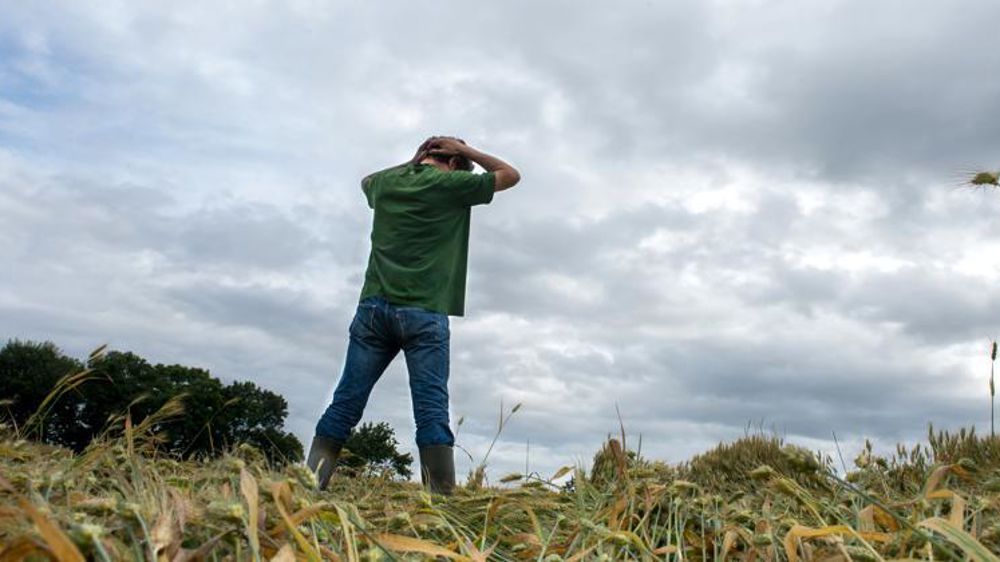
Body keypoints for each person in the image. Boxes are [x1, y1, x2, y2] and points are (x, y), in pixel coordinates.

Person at [308, 136, 521, 494]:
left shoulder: (387, 183)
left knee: (345, 401)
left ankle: (308, 489)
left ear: (425, 156)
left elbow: (366, 182)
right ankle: (440, 507)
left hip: (373, 309)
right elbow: (509, 174)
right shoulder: (452, 184)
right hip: (424, 313)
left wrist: (414, 159)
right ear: (454, 164)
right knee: (432, 409)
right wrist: (465, 151)